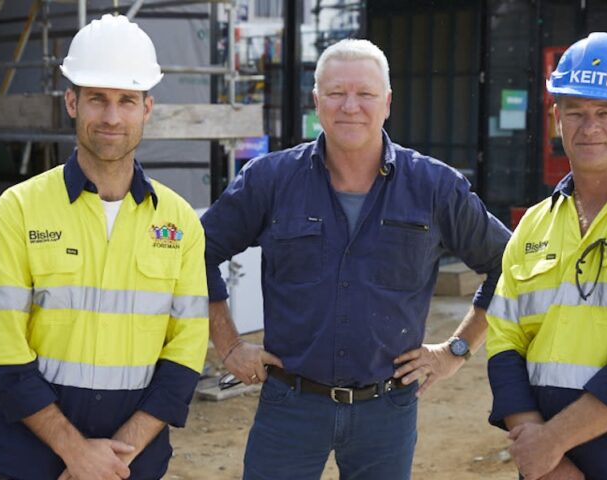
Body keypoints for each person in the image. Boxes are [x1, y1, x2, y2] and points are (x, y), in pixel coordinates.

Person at [202, 39, 510, 479]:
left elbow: (511, 264)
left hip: (386, 411)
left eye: (365, 94)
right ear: (316, 101)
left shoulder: (434, 187)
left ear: (386, 103)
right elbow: (198, 251)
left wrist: (458, 349)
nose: (351, 106)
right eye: (336, 93)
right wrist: (229, 344)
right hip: (290, 407)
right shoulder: (270, 181)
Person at [0, 14, 209, 480]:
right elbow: (0, 350)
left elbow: (185, 353)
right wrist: (77, 454)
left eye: (127, 100)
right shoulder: (18, 209)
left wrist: (116, 454)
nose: (112, 116)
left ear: (148, 107)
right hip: (35, 459)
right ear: (72, 102)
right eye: (97, 98)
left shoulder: (179, 221)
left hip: (131, 462)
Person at [486, 32, 607, 480]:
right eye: (576, 112)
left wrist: (553, 441)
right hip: (548, 463)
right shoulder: (533, 223)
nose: (589, 127)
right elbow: (503, 341)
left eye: (605, 112)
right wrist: (543, 456)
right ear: (557, 119)